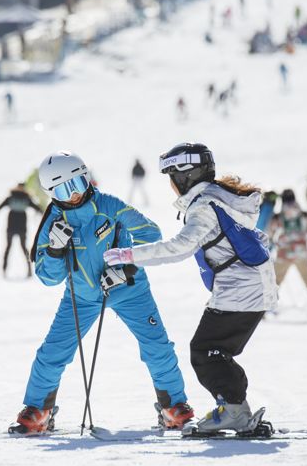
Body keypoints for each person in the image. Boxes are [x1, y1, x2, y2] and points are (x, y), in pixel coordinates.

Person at [10, 151, 193, 434]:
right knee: (52, 352)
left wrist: (127, 266)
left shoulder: (108, 205)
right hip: (81, 297)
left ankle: (173, 406)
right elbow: (48, 277)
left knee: (157, 347)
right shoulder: (53, 223)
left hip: (129, 290)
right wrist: (57, 251)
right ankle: (38, 409)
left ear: (87, 179)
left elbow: (152, 234)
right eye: (63, 189)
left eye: (78, 184)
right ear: (51, 193)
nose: (73, 195)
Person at [104, 143, 278, 434]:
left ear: (185, 176)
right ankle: (235, 408)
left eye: (172, 178)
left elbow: (179, 247)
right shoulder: (221, 199)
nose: (171, 186)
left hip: (241, 290)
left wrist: (129, 255)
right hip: (251, 287)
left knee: (205, 351)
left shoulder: (204, 207)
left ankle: (234, 410)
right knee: (215, 351)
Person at [269, 189, 307, 318]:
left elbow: (270, 234)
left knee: (273, 282)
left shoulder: (278, 217)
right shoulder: (303, 215)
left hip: (284, 253)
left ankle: (261, 313)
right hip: (302, 253)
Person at [0, 183, 43, 278]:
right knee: (24, 249)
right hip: (22, 228)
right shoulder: (26, 198)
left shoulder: (10, 198)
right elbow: (38, 209)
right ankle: (29, 270)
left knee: (8, 248)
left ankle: (4, 270)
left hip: (11, 227)